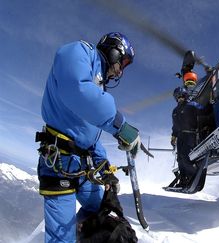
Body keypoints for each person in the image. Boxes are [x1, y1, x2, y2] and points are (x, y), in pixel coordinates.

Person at [35, 32, 142, 242]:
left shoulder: (98, 84)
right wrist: (121, 126)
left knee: (100, 206)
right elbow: (77, 89)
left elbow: (90, 139)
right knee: (61, 238)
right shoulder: (79, 51)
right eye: (124, 62)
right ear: (113, 51)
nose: (121, 70)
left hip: (82, 169)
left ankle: (82, 231)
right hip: (59, 165)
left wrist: (106, 169)